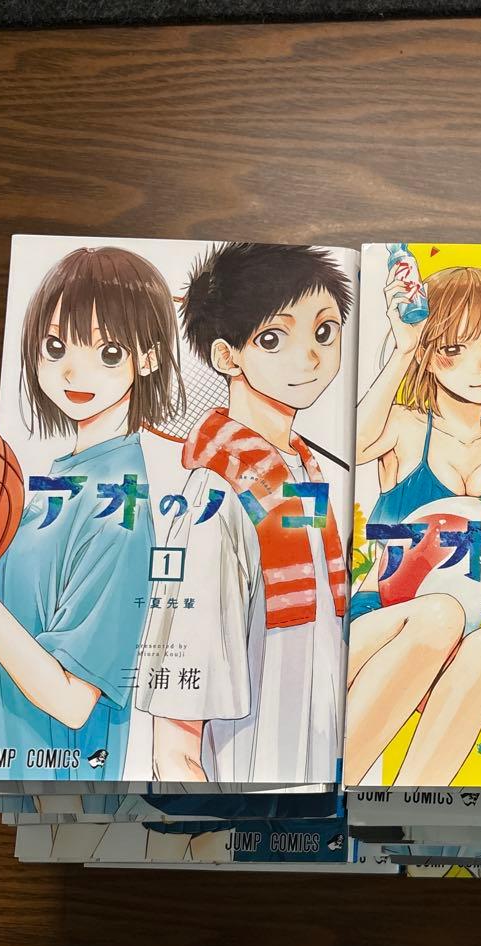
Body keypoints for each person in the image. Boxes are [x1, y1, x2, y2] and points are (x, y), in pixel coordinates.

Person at [138, 243, 353, 784]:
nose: (309, 357)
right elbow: (176, 736)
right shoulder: (216, 496)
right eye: (274, 339)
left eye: (324, 331)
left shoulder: (303, 472)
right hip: (251, 779)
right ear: (227, 357)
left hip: (319, 770)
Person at [0, 246, 184, 781]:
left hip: (51, 790)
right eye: (55, 345)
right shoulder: (55, 482)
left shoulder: (119, 511)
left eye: (109, 352)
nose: (73, 369)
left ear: (149, 358)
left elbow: (72, 702)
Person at [345, 262, 481, 786]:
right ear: (429, 354)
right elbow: (350, 446)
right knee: (439, 614)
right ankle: (343, 789)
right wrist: (402, 349)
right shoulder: (403, 426)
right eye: (455, 348)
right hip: (390, 615)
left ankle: (409, 804)